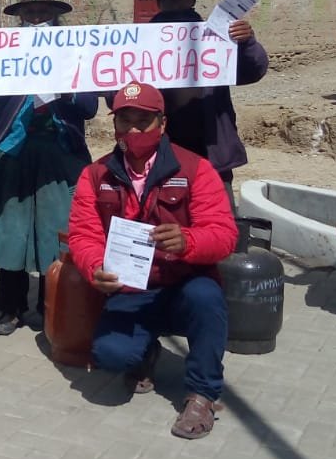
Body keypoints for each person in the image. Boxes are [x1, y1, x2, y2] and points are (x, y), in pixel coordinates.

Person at [67, 82, 237, 439]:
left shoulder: (196, 170)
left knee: (207, 299)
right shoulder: (95, 175)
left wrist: (187, 240)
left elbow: (224, 235)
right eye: (124, 121)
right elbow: (84, 235)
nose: (132, 130)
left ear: (162, 123)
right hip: (131, 289)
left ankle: (202, 394)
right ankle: (145, 353)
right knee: (110, 355)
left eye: (142, 121)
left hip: (185, 284)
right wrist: (95, 267)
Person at [0, 0, 98, 335]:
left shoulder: (76, 54)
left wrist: (66, 87)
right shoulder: (4, 52)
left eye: (43, 12)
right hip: (15, 150)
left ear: (56, 17)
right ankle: (10, 307)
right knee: (12, 229)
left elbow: (89, 106)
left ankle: (51, 304)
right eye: (29, 12)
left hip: (59, 152)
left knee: (56, 231)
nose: (36, 18)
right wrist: (13, 70)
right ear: (19, 18)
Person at [148, 0, 268, 210]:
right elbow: (117, 97)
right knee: (165, 226)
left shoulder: (218, 36)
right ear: (159, 4)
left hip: (212, 152)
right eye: (168, 0)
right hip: (160, 154)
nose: (174, 5)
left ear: (192, 0)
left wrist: (247, 43)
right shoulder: (142, 42)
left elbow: (253, 71)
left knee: (218, 226)